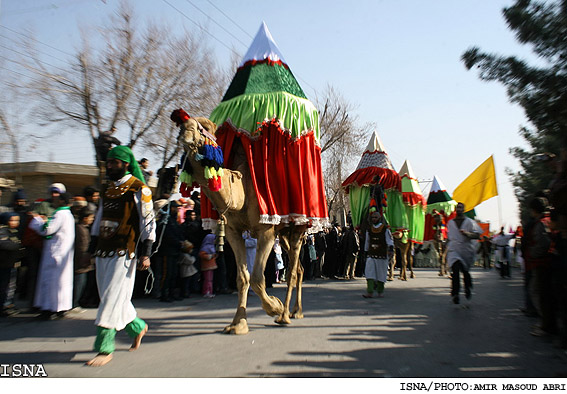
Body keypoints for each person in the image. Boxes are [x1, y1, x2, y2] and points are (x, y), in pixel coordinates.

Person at [87, 145, 155, 367]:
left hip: (124, 252)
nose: (109, 166)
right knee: (112, 297)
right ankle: (137, 326)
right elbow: (98, 220)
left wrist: (146, 254)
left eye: (113, 163)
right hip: (103, 250)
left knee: (110, 299)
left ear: (125, 164)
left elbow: (148, 223)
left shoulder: (140, 189)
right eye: (108, 163)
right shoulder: (107, 189)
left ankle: (104, 348)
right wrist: (91, 249)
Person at [29, 191, 75, 319]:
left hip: (55, 254)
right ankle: (60, 308)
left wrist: (37, 220)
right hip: (62, 254)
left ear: (61, 201)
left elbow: (48, 230)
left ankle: (49, 309)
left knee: (51, 282)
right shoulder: (68, 214)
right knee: (62, 282)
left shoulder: (60, 214)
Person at [446, 202, 482, 304]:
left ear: (464, 209)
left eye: (461, 207)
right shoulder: (450, 223)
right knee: (455, 270)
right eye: (457, 207)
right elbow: (449, 237)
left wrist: (468, 234)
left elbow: (477, 235)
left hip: (466, 250)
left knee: (465, 271)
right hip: (454, 249)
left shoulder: (469, 222)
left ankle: (467, 288)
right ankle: (455, 292)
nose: (459, 209)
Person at [363, 210, 394, 298]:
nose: (374, 219)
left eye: (375, 217)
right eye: (372, 217)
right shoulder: (369, 229)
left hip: (382, 255)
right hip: (371, 254)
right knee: (369, 273)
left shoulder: (385, 229)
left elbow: (389, 240)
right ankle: (370, 291)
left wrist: (391, 250)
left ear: (380, 218)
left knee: (381, 274)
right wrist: (365, 252)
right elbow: (367, 241)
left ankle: (380, 291)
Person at [0, 212, 24, 317]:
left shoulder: (13, 231)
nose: (15, 223)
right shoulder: (2, 230)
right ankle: (3, 306)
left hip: (12, 263)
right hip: (4, 264)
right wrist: (18, 245)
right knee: (4, 286)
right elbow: (5, 244)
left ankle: (8, 304)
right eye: (12, 220)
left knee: (11, 286)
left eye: (17, 220)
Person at [73, 206, 95, 309]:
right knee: (79, 283)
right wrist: (86, 256)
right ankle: (75, 303)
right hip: (81, 261)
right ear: (85, 218)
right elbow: (82, 245)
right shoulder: (80, 229)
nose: (92, 220)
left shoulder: (83, 228)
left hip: (84, 260)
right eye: (91, 217)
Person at [199, 233, 217, 298]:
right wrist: (210, 256)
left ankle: (210, 291)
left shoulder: (212, 247)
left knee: (210, 280)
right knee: (207, 280)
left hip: (211, 265)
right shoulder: (205, 247)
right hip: (207, 266)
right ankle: (206, 291)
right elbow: (202, 255)